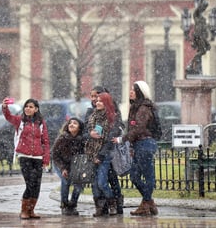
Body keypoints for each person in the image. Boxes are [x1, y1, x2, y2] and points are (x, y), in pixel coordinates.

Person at [112, 81, 158, 216]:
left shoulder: (143, 108)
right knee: (134, 176)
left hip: (145, 144)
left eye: (133, 89)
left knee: (147, 175)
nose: (130, 92)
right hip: (138, 144)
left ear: (140, 92)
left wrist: (123, 139)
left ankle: (146, 203)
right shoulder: (135, 107)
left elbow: (139, 128)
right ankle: (149, 202)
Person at [2, 97, 50, 220]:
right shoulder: (20, 121)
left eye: (31, 107)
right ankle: (24, 210)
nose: (28, 108)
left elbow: (45, 141)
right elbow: (8, 117)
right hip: (24, 156)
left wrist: (46, 159)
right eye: (26, 106)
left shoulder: (40, 123)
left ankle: (31, 210)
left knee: (37, 185)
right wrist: (5, 107)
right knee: (30, 183)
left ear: (36, 109)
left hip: (38, 157)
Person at [84, 86, 125, 215]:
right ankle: (100, 207)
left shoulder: (113, 114)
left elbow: (114, 133)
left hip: (106, 154)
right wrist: (90, 134)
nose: (95, 100)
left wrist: (101, 154)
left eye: (97, 96)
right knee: (96, 183)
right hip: (92, 153)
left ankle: (115, 204)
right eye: (93, 97)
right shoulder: (91, 114)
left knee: (109, 180)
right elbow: (84, 131)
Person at [52, 117, 86, 216]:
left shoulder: (83, 139)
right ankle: (64, 205)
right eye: (70, 123)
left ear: (79, 128)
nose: (71, 124)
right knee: (65, 181)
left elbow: (85, 155)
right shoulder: (62, 138)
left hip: (76, 165)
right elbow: (55, 155)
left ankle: (73, 205)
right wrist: (63, 168)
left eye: (75, 123)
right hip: (61, 164)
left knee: (78, 185)